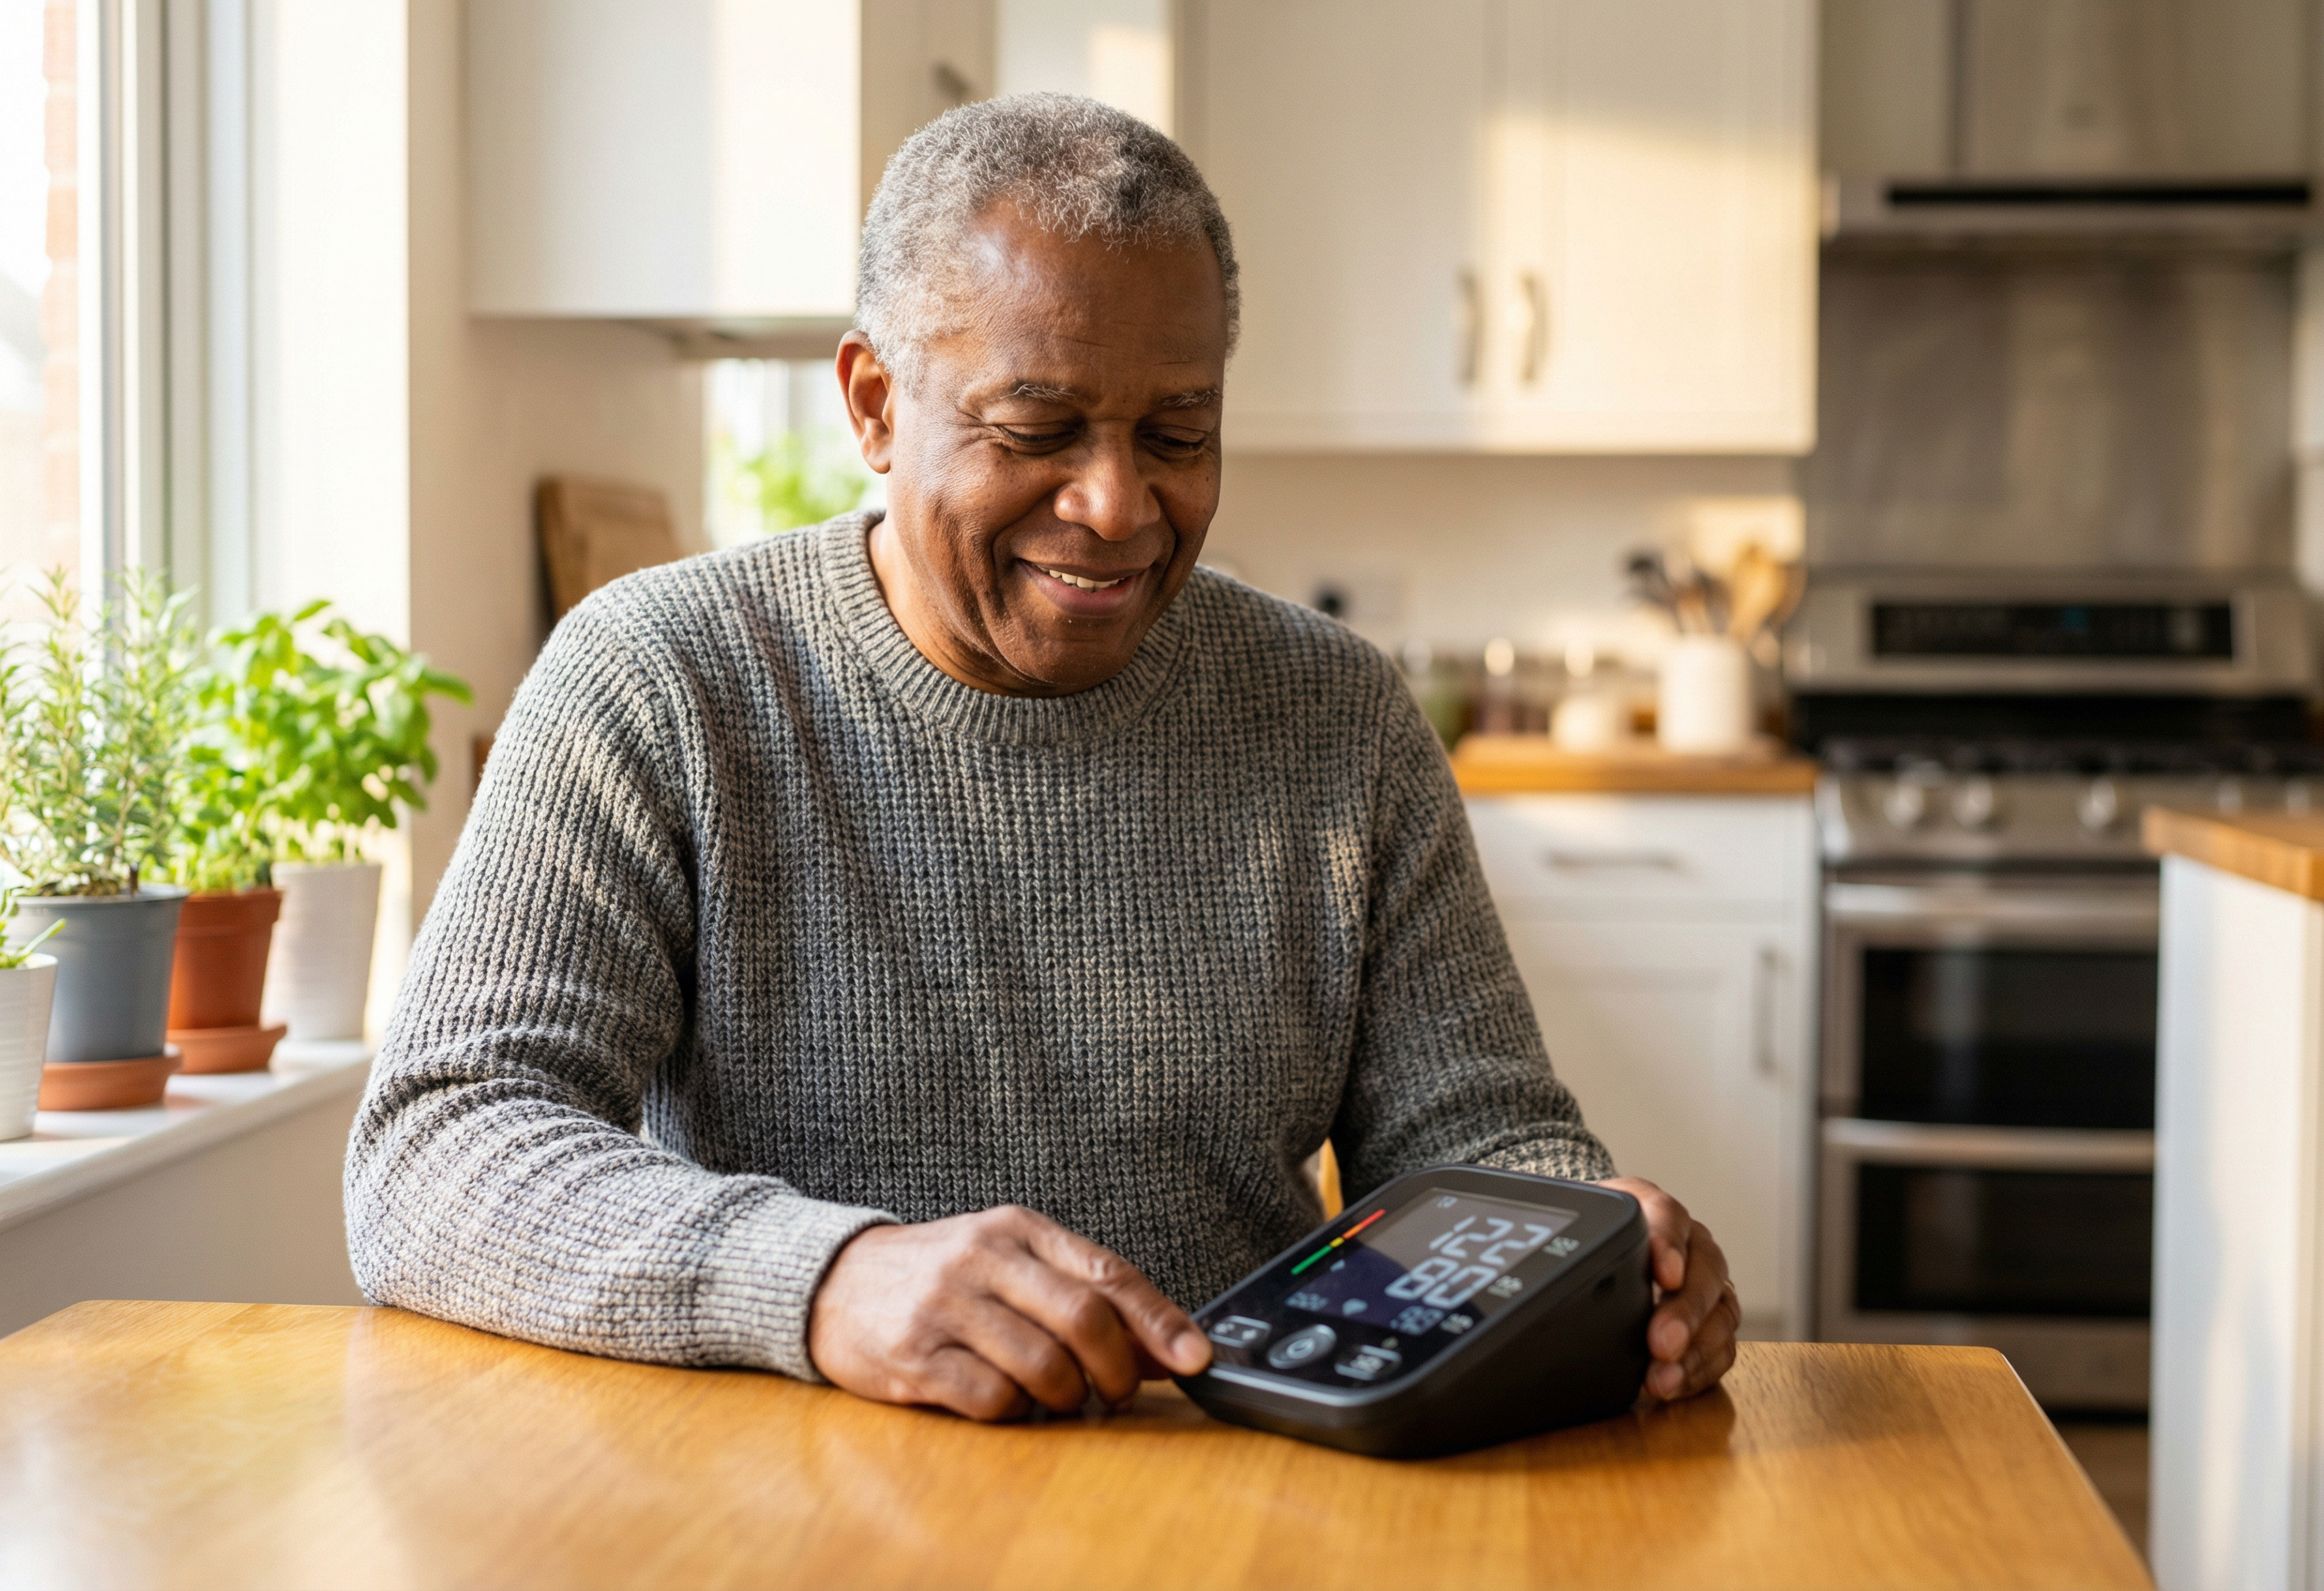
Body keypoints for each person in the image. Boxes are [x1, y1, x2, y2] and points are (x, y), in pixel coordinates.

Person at [347, 93, 1739, 1422]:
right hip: (782, 1494)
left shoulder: (1337, 714)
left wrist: (1601, 1247)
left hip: (1231, 1482)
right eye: (1036, 429)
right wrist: (826, 1279)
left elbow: (1476, 1145)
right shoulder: (661, 679)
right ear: (874, 404)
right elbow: (438, 1145)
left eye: (1178, 434)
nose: (1117, 505)